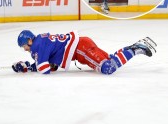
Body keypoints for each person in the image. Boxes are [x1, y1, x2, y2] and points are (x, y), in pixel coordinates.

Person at [12, 30, 157, 75]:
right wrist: (27, 66)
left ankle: (137, 48)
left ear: (30, 40)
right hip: (81, 46)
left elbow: (45, 69)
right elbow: (52, 65)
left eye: (24, 45)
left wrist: (29, 65)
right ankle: (133, 47)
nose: (25, 49)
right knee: (109, 60)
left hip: (80, 48)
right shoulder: (40, 42)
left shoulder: (38, 45)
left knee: (107, 68)